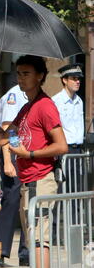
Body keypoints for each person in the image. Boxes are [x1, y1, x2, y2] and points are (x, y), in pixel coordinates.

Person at [0, 55, 68, 268]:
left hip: (41, 178)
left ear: (40, 76)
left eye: (26, 73)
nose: (21, 78)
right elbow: (6, 135)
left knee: (40, 242)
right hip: (27, 180)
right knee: (33, 240)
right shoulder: (27, 107)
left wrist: (29, 154)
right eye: (18, 73)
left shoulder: (45, 106)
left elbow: (61, 145)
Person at [0, 84, 29, 268]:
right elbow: (8, 129)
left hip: (29, 153)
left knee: (29, 203)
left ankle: (26, 250)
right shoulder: (14, 95)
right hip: (15, 152)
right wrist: (9, 159)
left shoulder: (36, 96)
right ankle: (0, 250)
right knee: (11, 200)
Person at [52, 63, 84, 192]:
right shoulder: (56, 101)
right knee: (64, 187)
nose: (77, 82)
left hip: (77, 150)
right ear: (64, 80)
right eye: (74, 78)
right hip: (65, 150)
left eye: (79, 79)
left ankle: (75, 212)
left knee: (77, 186)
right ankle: (59, 212)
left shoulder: (79, 101)